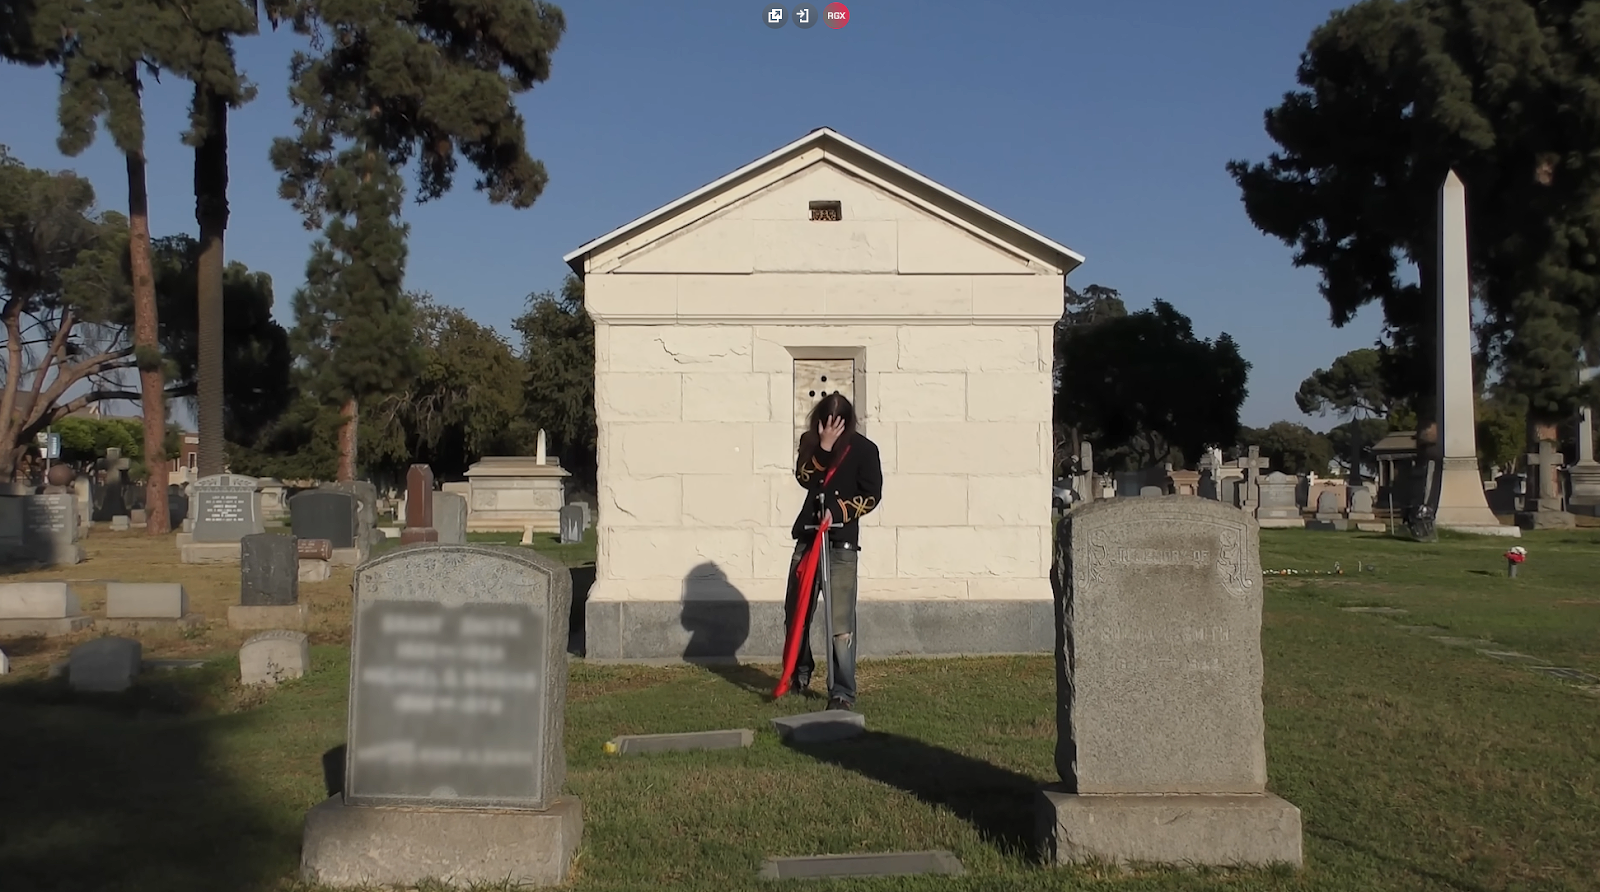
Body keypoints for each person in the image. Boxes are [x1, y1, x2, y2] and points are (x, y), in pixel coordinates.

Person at [783, 392, 883, 711]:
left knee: (840, 623)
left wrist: (838, 513)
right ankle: (799, 673)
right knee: (796, 613)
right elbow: (805, 478)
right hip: (809, 539)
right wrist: (823, 448)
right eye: (825, 424)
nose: (829, 428)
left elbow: (871, 495)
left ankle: (842, 690)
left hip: (841, 545)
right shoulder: (810, 443)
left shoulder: (866, 450)